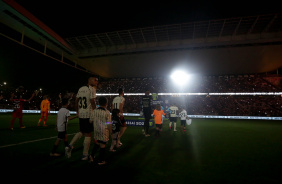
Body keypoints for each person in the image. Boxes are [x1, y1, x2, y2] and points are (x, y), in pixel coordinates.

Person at [66, 76, 98, 160]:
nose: (96, 82)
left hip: (81, 114)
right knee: (88, 134)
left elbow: (76, 101)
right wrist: (96, 112)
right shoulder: (92, 89)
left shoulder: (81, 89)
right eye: (95, 80)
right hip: (88, 114)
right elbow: (92, 102)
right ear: (89, 80)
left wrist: (77, 111)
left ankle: (69, 146)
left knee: (82, 131)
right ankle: (85, 154)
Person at [90, 96, 112, 165]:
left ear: (99, 103)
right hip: (104, 131)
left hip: (96, 130)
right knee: (102, 145)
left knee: (97, 143)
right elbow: (108, 123)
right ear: (106, 103)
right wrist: (111, 132)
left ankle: (91, 155)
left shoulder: (94, 111)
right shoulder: (107, 112)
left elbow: (90, 121)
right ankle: (101, 160)